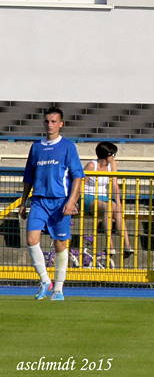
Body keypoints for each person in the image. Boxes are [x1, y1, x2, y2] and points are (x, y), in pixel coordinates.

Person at [19, 107, 84, 301]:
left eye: (54, 121)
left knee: (60, 244)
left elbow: (78, 177)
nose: (50, 125)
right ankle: (45, 281)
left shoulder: (68, 146)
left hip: (60, 202)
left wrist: (72, 201)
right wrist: (23, 201)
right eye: (47, 121)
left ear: (61, 124)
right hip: (39, 200)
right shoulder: (36, 147)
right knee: (31, 240)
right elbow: (28, 177)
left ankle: (59, 288)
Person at [82, 141, 132, 259]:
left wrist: (118, 203)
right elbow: (81, 183)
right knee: (108, 207)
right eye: (113, 155)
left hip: (103, 197)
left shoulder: (112, 166)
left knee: (116, 209)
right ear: (107, 155)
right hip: (88, 196)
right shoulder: (91, 165)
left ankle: (127, 245)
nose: (114, 157)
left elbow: (114, 184)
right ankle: (110, 245)